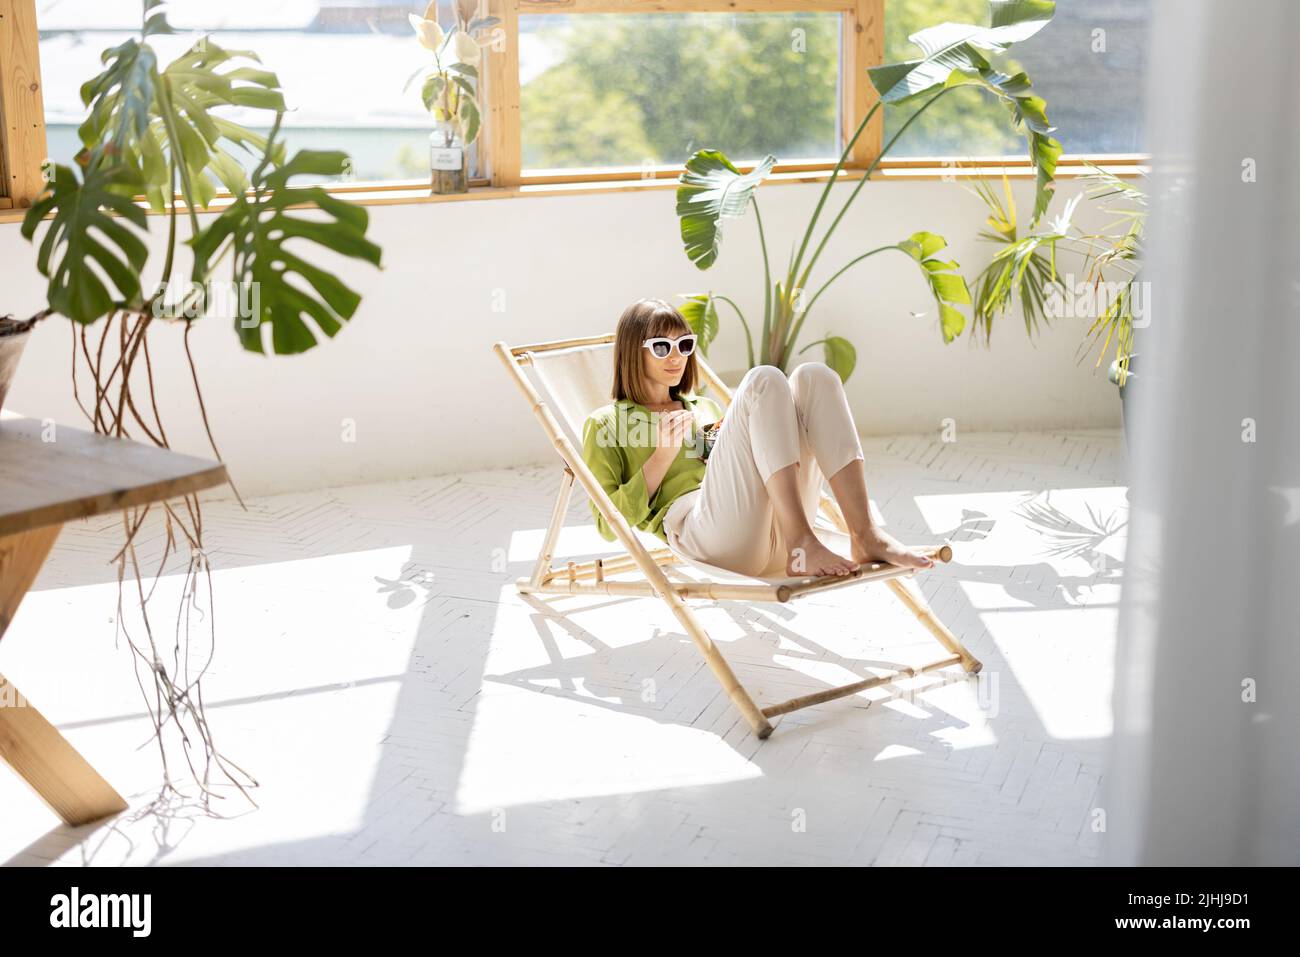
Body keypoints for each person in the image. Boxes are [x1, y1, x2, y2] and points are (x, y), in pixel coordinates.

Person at [581, 298, 934, 579]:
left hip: (769, 526)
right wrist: (661, 457)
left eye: (685, 344)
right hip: (709, 537)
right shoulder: (606, 424)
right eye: (661, 347)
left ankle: (865, 534)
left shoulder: (701, 406)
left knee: (815, 377)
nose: (677, 357)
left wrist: (717, 449)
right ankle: (802, 540)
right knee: (763, 378)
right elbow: (607, 526)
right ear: (632, 351)